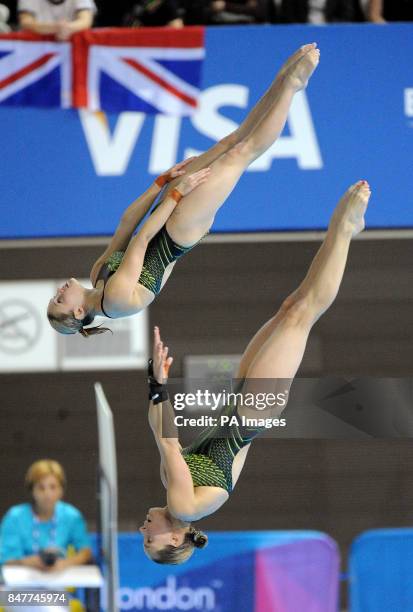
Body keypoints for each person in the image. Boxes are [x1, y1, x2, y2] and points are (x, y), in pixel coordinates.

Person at [140, 179, 372, 564]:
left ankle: (345, 230)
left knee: (291, 308)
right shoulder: (185, 506)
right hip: (252, 410)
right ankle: (345, 230)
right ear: (177, 539)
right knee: (301, 315)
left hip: (240, 403)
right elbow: (166, 442)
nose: (143, 531)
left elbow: (164, 435)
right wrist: (158, 390)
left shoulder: (175, 492)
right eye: (151, 541)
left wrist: (156, 387)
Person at [47, 44, 320, 337]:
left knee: (229, 142)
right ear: (78, 312)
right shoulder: (114, 300)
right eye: (60, 299)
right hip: (178, 232)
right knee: (240, 154)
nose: (60, 290)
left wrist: (160, 184)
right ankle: (291, 88)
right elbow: (141, 241)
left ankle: (282, 81)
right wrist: (176, 195)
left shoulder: (97, 273)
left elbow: (127, 223)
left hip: (165, 216)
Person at [0, 459, 92, 570]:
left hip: (58, 580)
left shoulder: (72, 516)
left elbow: (85, 552)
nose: (47, 494)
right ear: (32, 490)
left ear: (61, 490)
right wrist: (27, 562)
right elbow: (6, 559)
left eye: (53, 487)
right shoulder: (14, 517)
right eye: (41, 488)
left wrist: (64, 564)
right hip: (21, 583)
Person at [18, 0, 96, 41]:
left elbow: (86, 20)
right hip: (37, 50)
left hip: (73, 50)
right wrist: (55, 28)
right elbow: (26, 22)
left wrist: (68, 28)